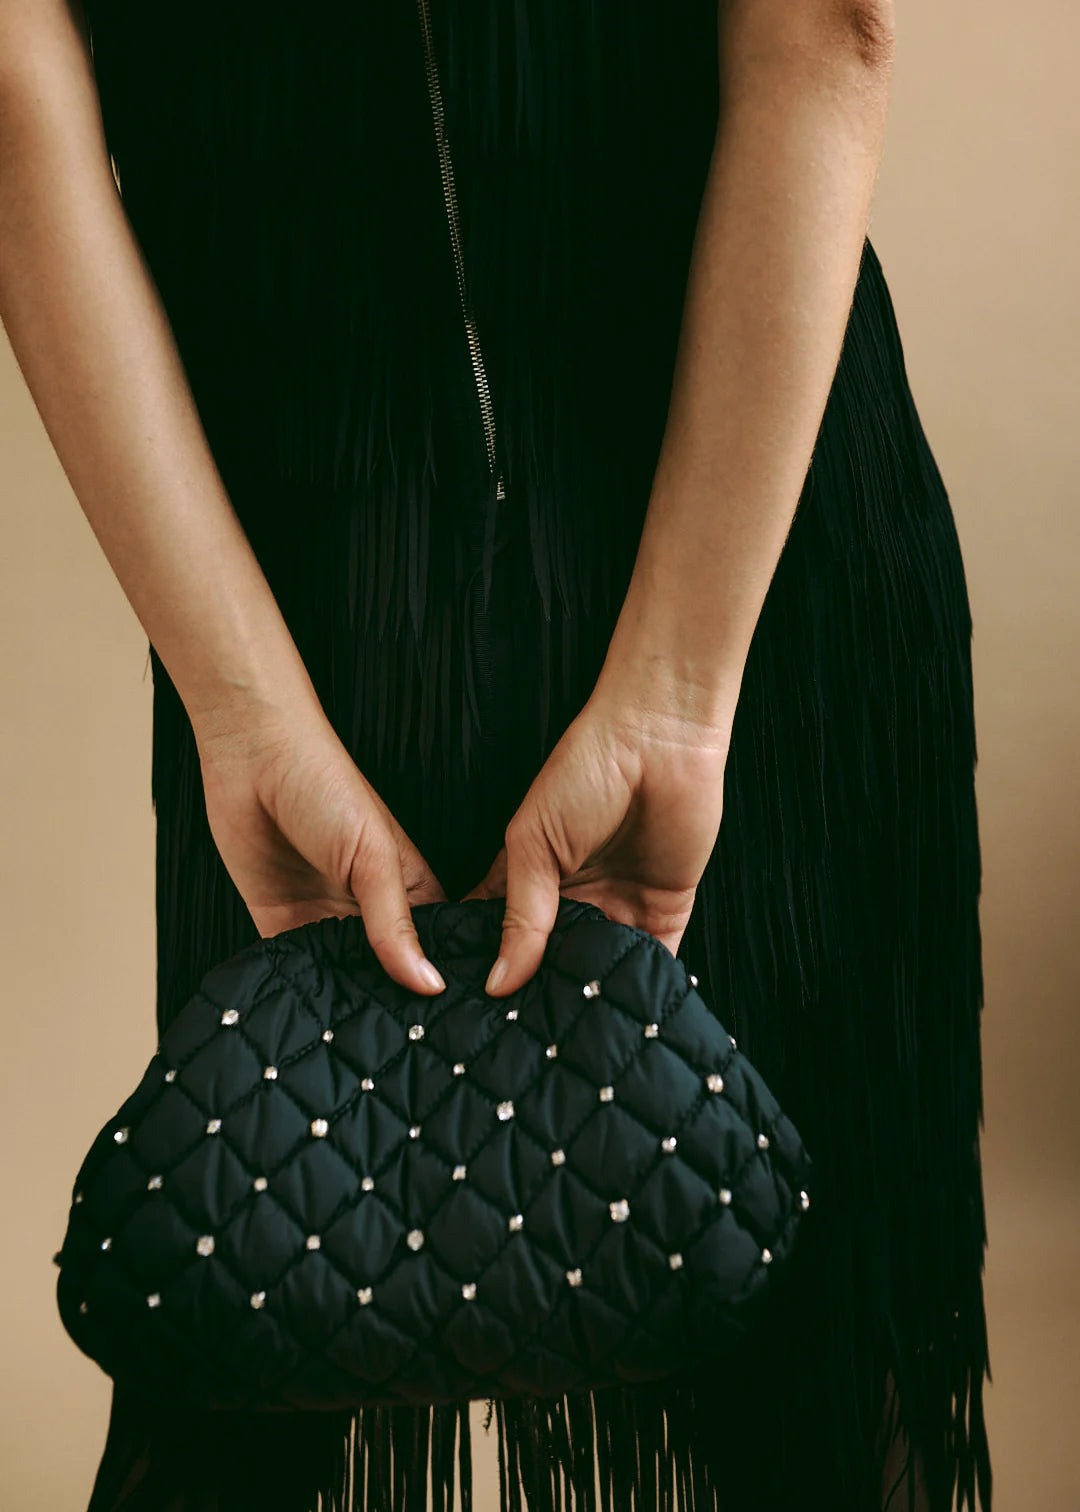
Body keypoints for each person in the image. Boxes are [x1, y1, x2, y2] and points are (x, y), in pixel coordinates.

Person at [0, 0, 992, 1508]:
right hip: (743, 530)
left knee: (241, 1322)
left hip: (291, 579)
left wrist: (242, 706)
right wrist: (675, 696)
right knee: (826, 1403)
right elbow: (824, 31)